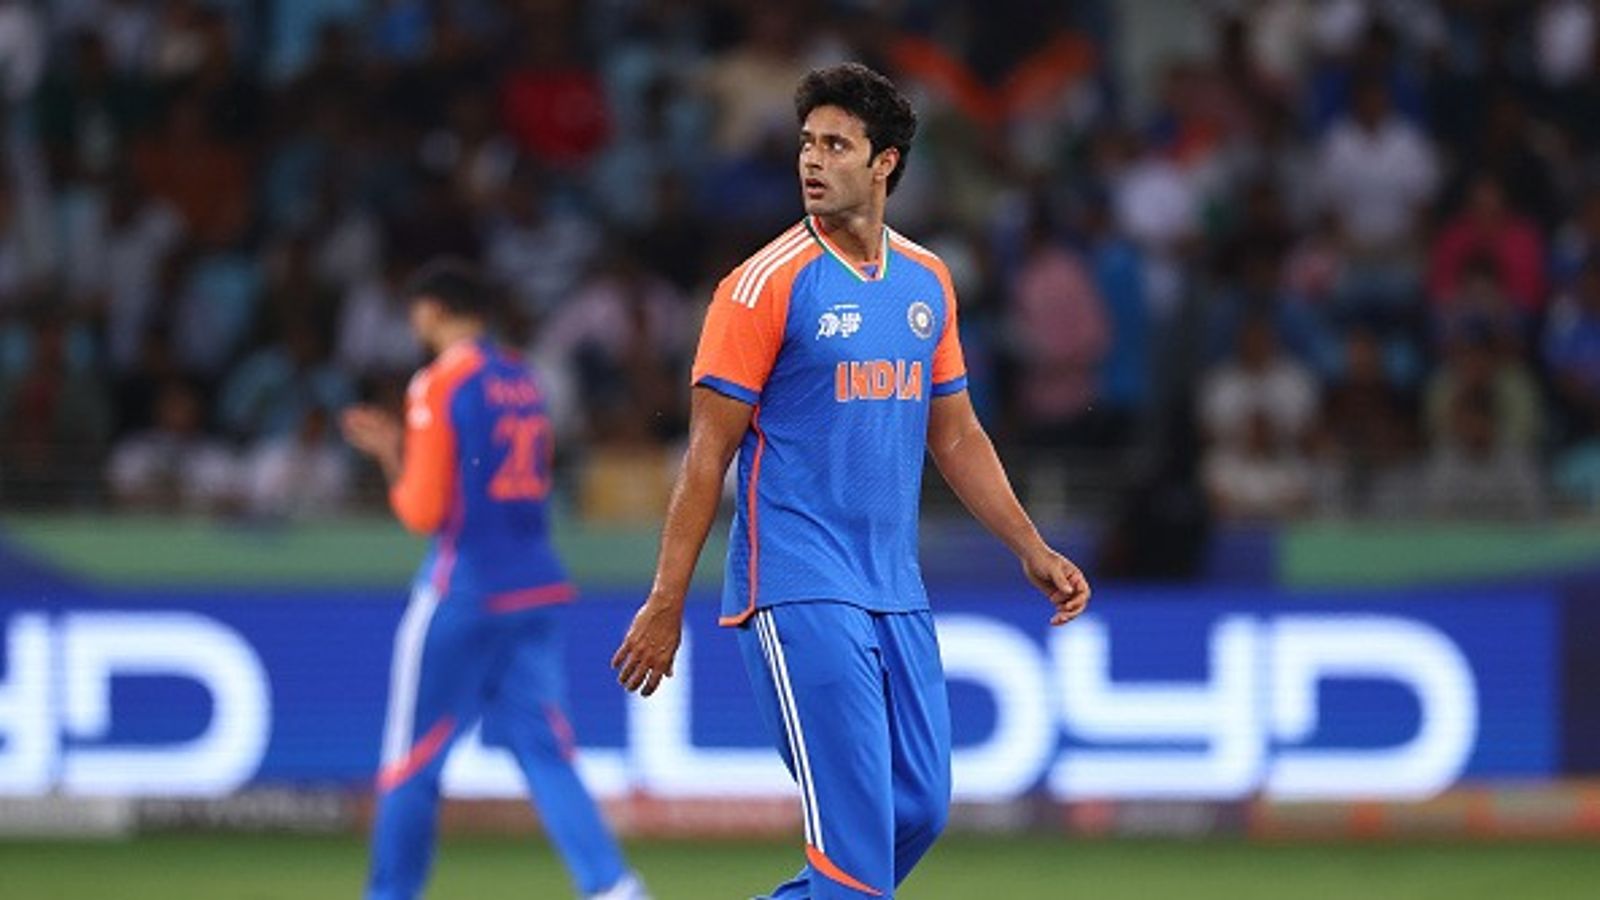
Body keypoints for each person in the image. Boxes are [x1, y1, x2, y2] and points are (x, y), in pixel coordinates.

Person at [610, 63, 1090, 899]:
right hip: (798, 585)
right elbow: (704, 457)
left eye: (837, 144)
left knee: (919, 809)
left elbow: (958, 432)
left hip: (895, 589)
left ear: (885, 165)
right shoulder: (761, 286)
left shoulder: (926, 280)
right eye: (807, 143)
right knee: (855, 856)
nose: (813, 160)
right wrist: (664, 602)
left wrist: (1029, 545)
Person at [341, 260, 646, 900]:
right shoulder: (521, 377)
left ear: (432, 310)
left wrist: (392, 454)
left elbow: (425, 511)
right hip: (534, 586)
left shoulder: (439, 382)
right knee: (545, 752)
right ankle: (614, 887)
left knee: (413, 759)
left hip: (465, 587)